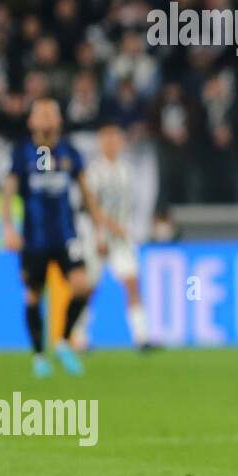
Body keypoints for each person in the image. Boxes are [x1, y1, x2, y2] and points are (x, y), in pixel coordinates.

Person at [0, 98, 105, 377]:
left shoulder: (70, 151)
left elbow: (86, 193)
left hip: (66, 235)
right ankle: (38, 356)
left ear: (59, 120)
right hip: (34, 238)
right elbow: (8, 191)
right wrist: (7, 227)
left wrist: (98, 229)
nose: (46, 119)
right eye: (41, 114)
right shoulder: (22, 153)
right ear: (31, 121)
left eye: (51, 113)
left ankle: (62, 340)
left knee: (83, 286)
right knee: (34, 295)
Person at [74, 122, 155, 351]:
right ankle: (80, 337)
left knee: (131, 283)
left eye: (115, 139)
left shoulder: (127, 171)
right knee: (89, 288)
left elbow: (131, 206)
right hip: (96, 237)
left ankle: (142, 337)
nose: (112, 144)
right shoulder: (94, 172)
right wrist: (101, 235)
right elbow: (90, 207)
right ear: (101, 143)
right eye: (107, 139)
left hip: (120, 238)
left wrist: (131, 229)